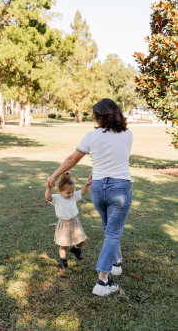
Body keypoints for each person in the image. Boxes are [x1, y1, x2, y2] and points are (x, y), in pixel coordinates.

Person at [47, 98, 133, 296]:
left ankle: (116, 262)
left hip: (99, 187)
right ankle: (103, 281)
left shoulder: (91, 136)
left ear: (99, 116)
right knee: (112, 232)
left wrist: (54, 176)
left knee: (108, 228)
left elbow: (72, 159)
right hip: (119, 187)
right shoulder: (128, 134)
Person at [45, 171, 91, 270]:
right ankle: (63, 261)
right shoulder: (56, 198)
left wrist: (87, 184)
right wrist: (48, 188)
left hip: (75, 222)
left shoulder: (73, 196)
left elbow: (82, 192)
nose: (71, 194)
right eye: (68, 192)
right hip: (63, 224)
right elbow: (47, 198)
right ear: (60, 190)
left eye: (72, 192)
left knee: (81, 240)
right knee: (63, 245)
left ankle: (75, 249)